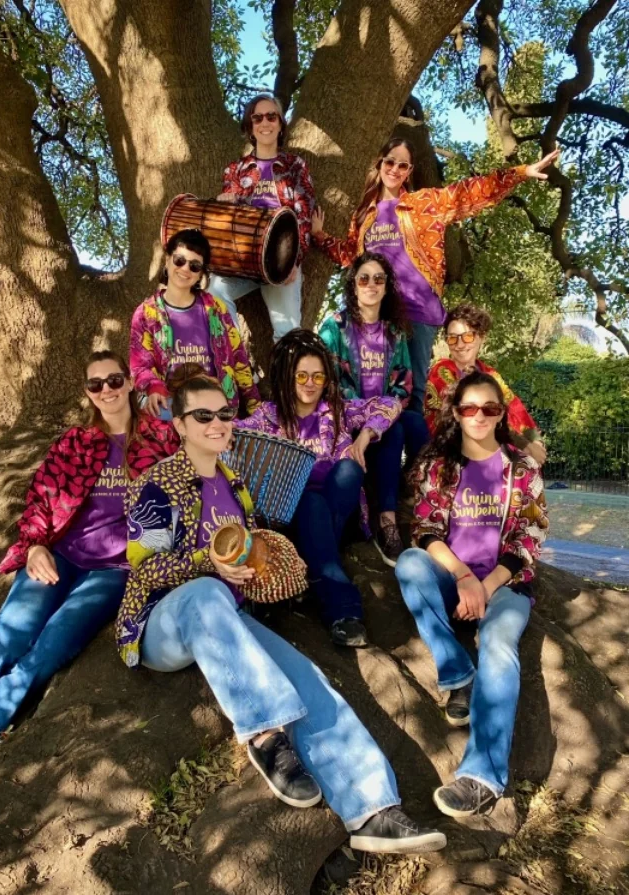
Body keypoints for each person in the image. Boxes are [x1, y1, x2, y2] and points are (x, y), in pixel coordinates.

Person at [115, 366, 447, 855]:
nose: (217, 423)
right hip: (163, 622)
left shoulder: (235, 482)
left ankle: (373, 809)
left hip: (226, 620)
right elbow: (142, 568)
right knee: (205, 594)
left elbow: (243, 557)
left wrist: (265, 569)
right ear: (180, 425)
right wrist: (208, 564)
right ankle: (265, 736)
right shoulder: (157, 484)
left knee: (310, 681)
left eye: (224, 413)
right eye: (203, 416)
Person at [0, 352, 179, 754]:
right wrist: (36, 544)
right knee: (17, 622)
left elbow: (187, 481)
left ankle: (1, 705)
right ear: (88, 392)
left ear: (128, 383)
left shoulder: (161, 438)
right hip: (63, 553)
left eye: (114, 380)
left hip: (117, 567)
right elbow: (41, 496)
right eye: (95, 384)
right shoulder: (76, 442)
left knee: (57, 637)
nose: (106, 390)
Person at [395, 371, 548, 817]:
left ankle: (482, 777)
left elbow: (529, 537)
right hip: (453, 578)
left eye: (489, 408)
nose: (478, 416)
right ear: (456, 413)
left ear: (501, 414)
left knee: (498, 644)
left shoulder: (522, 469)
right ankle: (459, 675)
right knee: (409, 564)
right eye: (468, 408)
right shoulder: (438, 466)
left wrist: (485, 586)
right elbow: (425, 531)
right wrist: (463, 576)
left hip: (504, 585)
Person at [311, 139, 560, 413]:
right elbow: (350, 255)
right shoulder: (363, 215)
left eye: (402, 165)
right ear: (380, 163)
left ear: (409, 171)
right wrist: (319, 236)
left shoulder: (425, 203)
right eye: (390, 162)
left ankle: (415, 442)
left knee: (413, 393)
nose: (394, 169)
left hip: (418, 312)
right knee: (372, 390)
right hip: (378, 315)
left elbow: (469, 193)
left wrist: (520, 173)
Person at [235, 329, 401, 647]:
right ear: (288, 377)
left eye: (318, 376)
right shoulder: (269, 416)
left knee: (350, 469)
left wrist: (365, 437)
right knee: (310, 501)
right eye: (301, 376)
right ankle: (343, 611)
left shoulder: (336, 411)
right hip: (290, 517)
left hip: (339, 513)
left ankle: (313, 566)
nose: (310, 383)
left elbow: (389, 403)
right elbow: (233, 431)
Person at [319, 252, 429, 565]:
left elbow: (403, 384)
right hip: (349, 415)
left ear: (386, 285)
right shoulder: (335, 328)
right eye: (364, 278)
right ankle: (386, 521)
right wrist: (370, 415)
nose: (371, 284)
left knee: (416, 425)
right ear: (353, 285)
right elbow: (328, 381)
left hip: (386, 415)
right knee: (395, 431)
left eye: (378, 279)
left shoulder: (394, 332)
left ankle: (414, 495)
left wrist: (381, 415)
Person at [208, 94, 315, 341]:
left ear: (280, 124)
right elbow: (229, 221)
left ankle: (288, 366)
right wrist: (226, 202)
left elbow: (304, 215)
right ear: (250, 126)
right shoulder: (235, 170)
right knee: (214, 292)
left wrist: (294, 259)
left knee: (288, 333)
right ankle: (235, 357)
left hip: (281, 258)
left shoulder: (295, 165)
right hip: (244, 258)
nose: (265, 123)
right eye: (257, 118)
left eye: (271, 116)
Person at [130, 228, 260, 419]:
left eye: (195, 266)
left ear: (201, 274)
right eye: (179, 260)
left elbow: (238, 357)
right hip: (170, 407)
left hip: (216, 407)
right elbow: (139, 366)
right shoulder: (146, 313)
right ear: (167, 259)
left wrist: (255, 409)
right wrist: (153, 387)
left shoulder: (216, 309)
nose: (185, 269)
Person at [425, 303, 546, 465]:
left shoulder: (490, 375)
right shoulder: (441, 371)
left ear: (482, 337)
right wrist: (522, 444)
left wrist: (536, 442)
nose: (459, 345)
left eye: (467, 336)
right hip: (451, 454)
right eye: (452, 338)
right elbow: (464, 419)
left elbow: (515, 408)